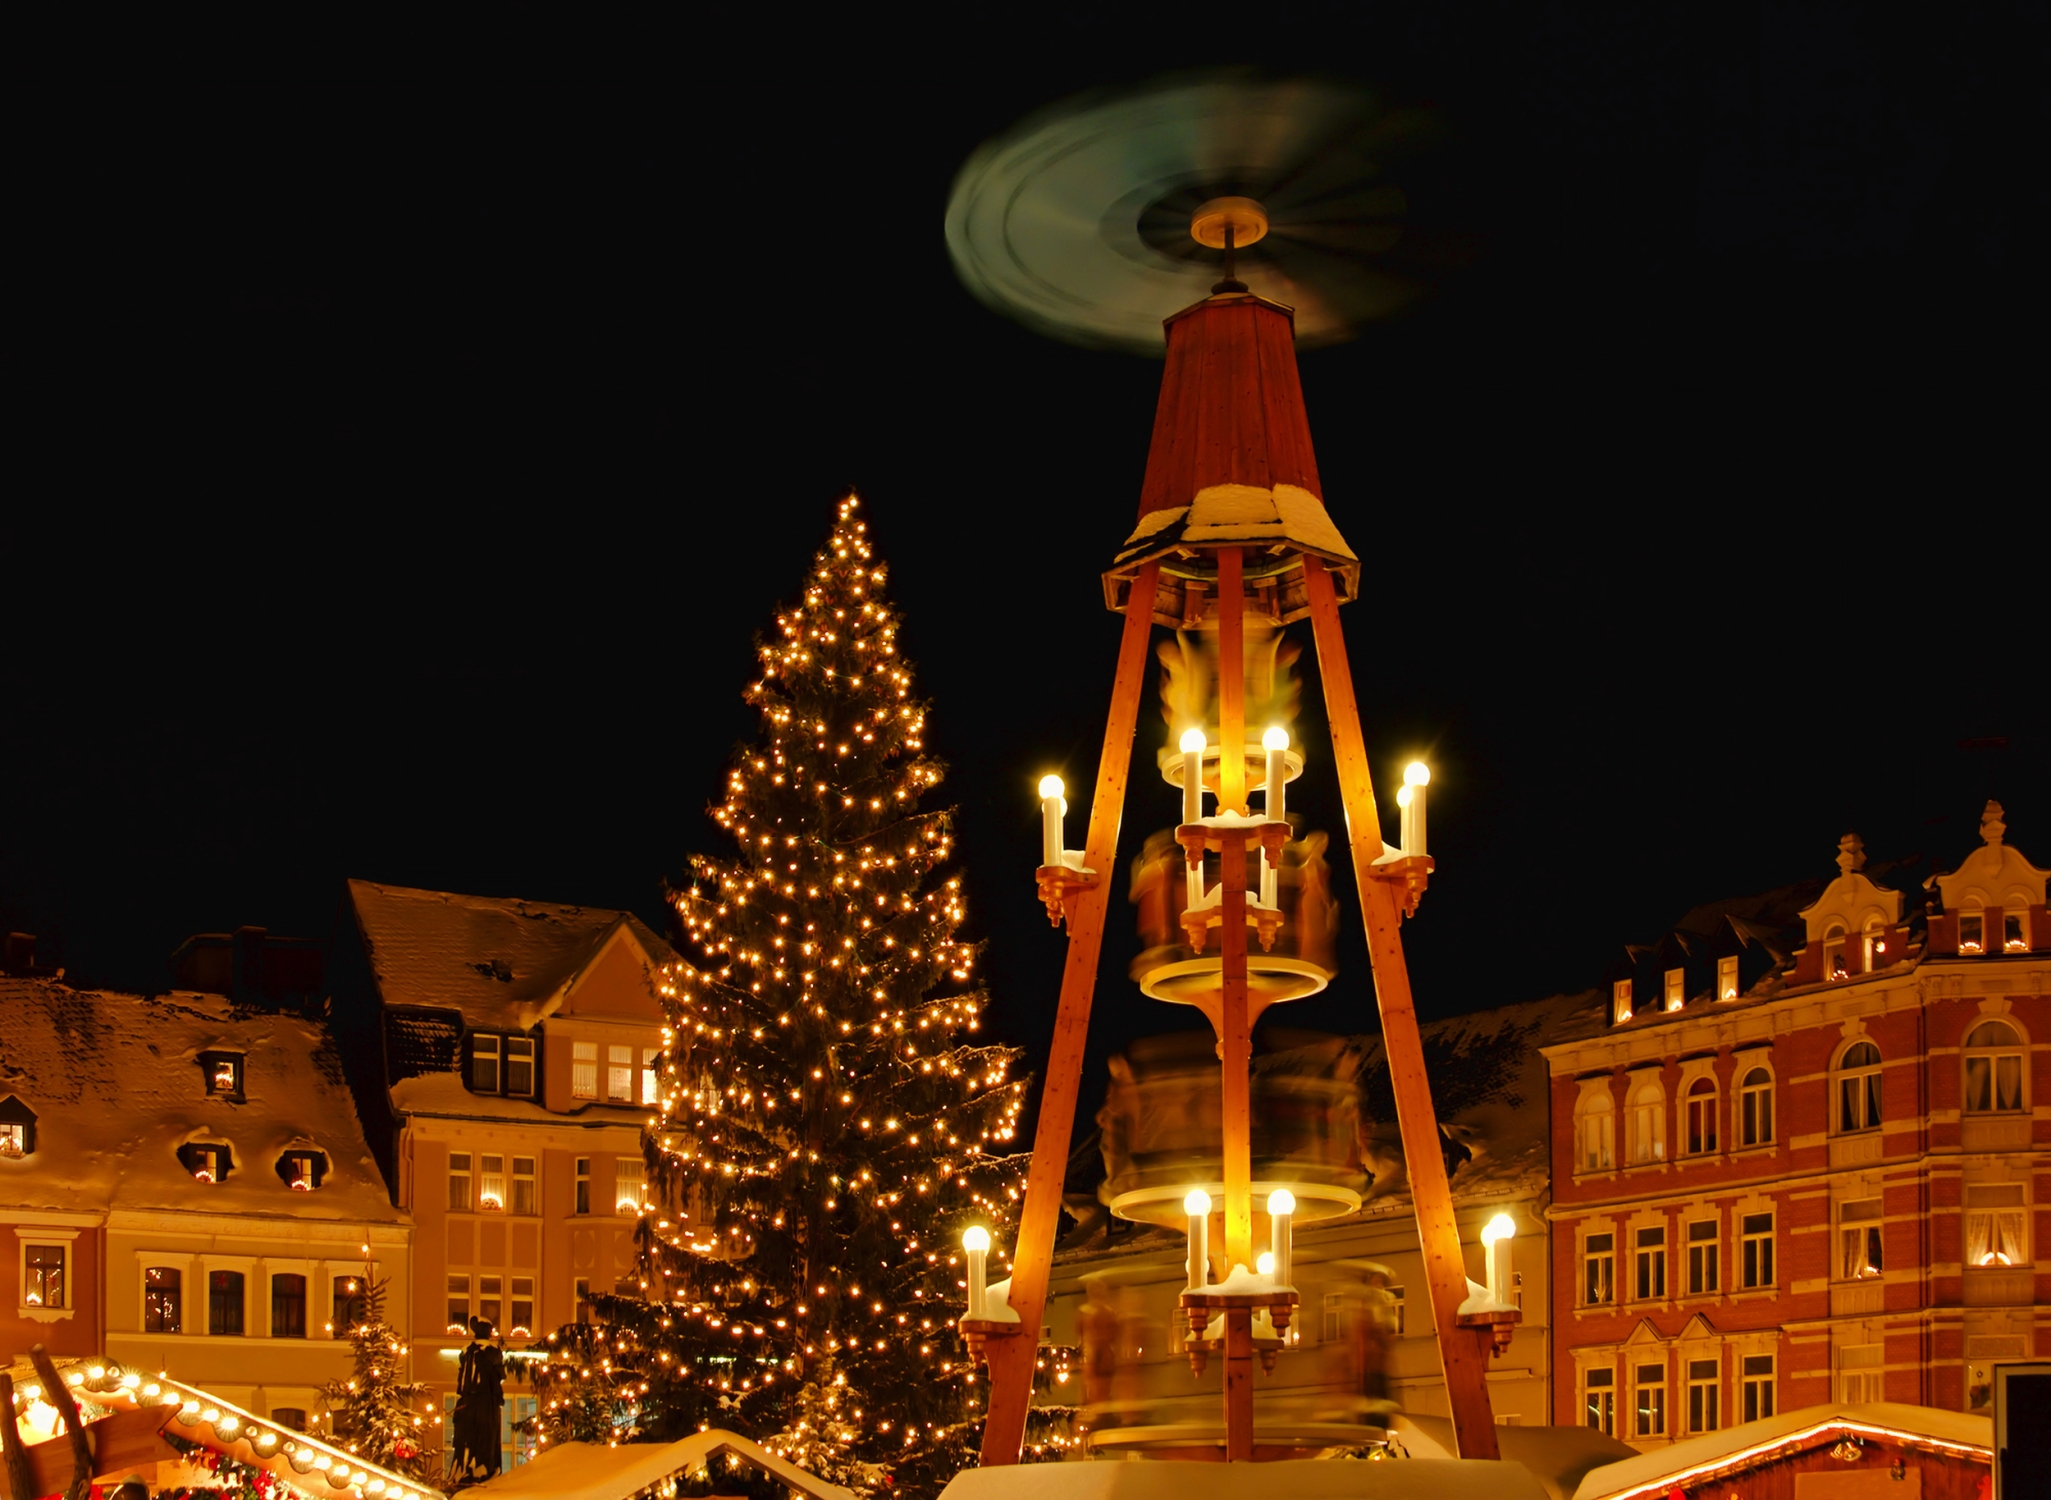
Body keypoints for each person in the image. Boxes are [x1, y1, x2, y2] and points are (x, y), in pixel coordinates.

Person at [452, 1316, 506, 1481]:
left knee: (467, 1440)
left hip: (468, 1402)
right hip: (486, 1403)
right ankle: (482, 1468)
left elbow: (462, 1378)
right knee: (485, 1438)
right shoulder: (492, 1350)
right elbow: (500, 1375)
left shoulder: (466, 1350)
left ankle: (466, 1468)